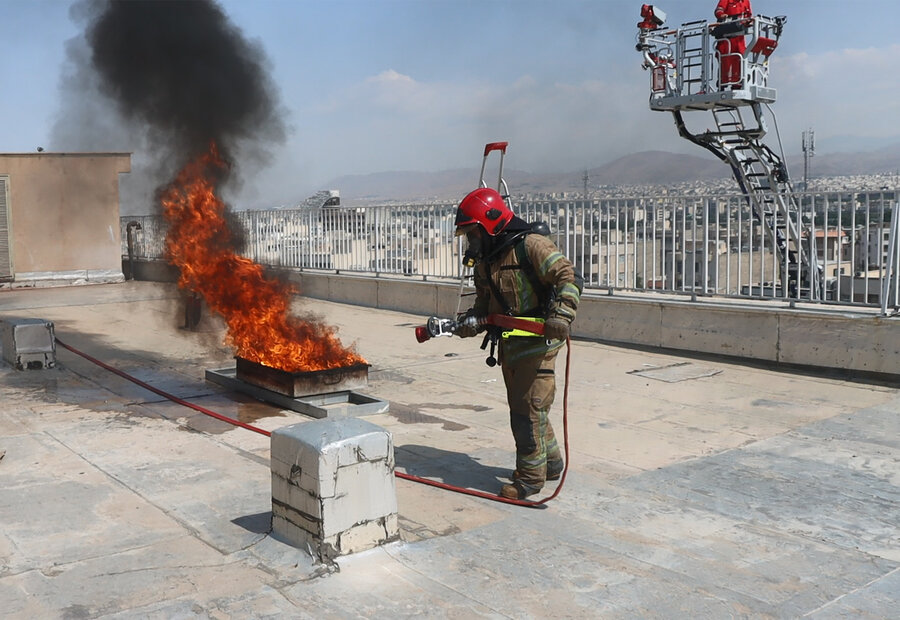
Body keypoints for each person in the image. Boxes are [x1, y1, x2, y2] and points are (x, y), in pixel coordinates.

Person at [453, 187, 581, 499]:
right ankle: (550, 463)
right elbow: (485, 303)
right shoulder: (485, 261)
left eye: (473, 234)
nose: (471, 242)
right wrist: (471, 322)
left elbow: (569, 278)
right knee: (529, 408)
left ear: (491, 224)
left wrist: (562, 315)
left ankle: (529, 481)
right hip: (511, 345)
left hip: (539, 341)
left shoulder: (531, 246)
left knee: (527, 412)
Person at [714, 0, 752, 89]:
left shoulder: (746, 1)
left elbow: (749, 16)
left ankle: (737, 85)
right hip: (726, 37)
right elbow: (718, 11)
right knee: (725, 60)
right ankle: (722, 84)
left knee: (739, 59)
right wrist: (722, 15)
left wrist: (748, 22)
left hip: (739, 38)